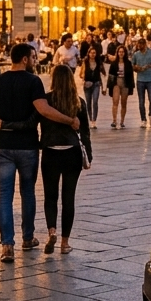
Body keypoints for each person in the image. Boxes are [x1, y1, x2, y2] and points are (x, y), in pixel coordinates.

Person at [0, 43, 80, 264]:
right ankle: (27, 238)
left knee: (5, 195)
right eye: (34, 57)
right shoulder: (33, 81)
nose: (36, 61)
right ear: (25, 59)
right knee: (27, 192)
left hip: (3, 146)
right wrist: (70, 120)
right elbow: (44, 110)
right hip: (27, 146)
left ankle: (7, 246)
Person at [39, 65, 91, 256]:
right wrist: (89, 156)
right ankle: (64, 243)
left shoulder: (46, 100)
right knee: (68, 198)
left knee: (50, 196)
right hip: (72, 153)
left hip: (51, 152)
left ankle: (51, 231)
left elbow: (34, 122)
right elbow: (85, 133)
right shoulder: (78, 102)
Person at [131, 36, 151, 128]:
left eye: (141, 44)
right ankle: (143, 119)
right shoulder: (136, 54)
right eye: (138, 44)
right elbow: (132, 66)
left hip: (150, 79)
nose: (139, 46)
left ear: (145, 44)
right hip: (140, 80)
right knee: (141, 101)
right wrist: (137, 68)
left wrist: (149, 66)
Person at [107, 44, 134, 128]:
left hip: (125, 83)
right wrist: (109, 86)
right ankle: (114, 120)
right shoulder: (114, 63)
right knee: (115, 101)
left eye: (122, 52)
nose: (121, 53)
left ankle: (122, 121)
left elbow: (131, 75)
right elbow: (110, 75)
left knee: (123, 102)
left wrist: (131, 86)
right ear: (117, 53)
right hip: (116, 82)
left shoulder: (128, 63)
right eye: (119, 52)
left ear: (125, 53)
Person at [78, 46, 103, 130]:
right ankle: (90, 118)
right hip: (87, 84)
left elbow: (102, 74)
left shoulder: (99, 62)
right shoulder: (85, 62)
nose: (92, 54)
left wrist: (103, 87)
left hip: (96, 83)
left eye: (94, 53)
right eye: (91, 53)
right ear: (88, 53)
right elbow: (81, 74)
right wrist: (85, 81)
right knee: (88, 102)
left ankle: (94, 121)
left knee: (95, 101)